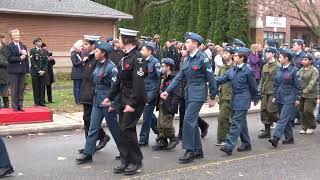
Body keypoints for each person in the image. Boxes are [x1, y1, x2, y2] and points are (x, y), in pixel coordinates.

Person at [160, 32, 217, 164]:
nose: (185, 44)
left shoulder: (203, 58)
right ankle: (198, 150)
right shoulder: (187, 60)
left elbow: (211, 79)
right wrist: (167, 91)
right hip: (188, 92)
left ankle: (190, 150)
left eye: (188, 42)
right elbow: (179, 77)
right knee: (191, 121)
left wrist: (212, 96)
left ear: (195, 44)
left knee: (188, 120)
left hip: (198, 93)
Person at [102, 28, 146, 175]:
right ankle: (126, 160)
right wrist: (110, 97)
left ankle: (136, 161)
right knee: (124, 130)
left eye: (120, 38)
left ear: (127, 40)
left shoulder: (138, 58)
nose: (118, 41)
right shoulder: (124, 57)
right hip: (123, 98)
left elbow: (138, 84)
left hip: (135, 99)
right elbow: (118, 81)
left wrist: (132, 104)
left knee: (127, 129)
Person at [76, 40, 121, 164]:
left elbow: (115, 88)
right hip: (97, 100)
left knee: (114, 128)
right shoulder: (98, 64)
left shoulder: (112, 68)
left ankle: (125, 152)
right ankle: (88, 153)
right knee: (93, 128)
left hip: (107, 102)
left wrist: (113, 104)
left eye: (97, 51)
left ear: (104, 53)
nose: (95, 53)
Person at [217, 47, 259, 155]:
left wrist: (256, 97)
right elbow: (222, 79)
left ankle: (229, 145)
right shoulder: (232, 70)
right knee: (241, 122)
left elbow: (253, 86)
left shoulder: (248, 71)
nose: (233, 57)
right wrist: (210, 80)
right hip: (234, 98)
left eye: (236, 55)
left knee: (236, 122)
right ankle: (246, 143)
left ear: (242, 58)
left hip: (243, 99)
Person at [77, 35, 109, 155]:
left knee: (90, 119)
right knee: (87, 119)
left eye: (86, 44)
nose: (83, 46)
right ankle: (89, 146)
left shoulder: (96, 59)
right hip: (85, 92)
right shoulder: (89, 57)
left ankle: (102, 137)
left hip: (92, 94)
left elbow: (95, 78)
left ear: (93, 45)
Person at [269, 48, 302, 147]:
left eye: (280, 57)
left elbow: (298, 86)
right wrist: (274, 96)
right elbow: (276, 84)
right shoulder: (279, 69)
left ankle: (275, 137)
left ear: (286, 58)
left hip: (289, 98)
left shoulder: (294, 70)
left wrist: (297, 98)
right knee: (285, 119)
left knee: (282, 118)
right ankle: (289, 138)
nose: (278, 59)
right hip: (280, 97)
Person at [176, 45, 209, 140]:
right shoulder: (183, 60)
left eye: (184, 49)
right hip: (182, 88)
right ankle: (182, 132)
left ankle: (202, 126)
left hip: (191, 89)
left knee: (188, 114)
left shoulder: (197, 59)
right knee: (183, 111)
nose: (182, 51)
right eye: (181, 50)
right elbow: (179, 76)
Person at [152, 58, 180, 150]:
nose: (161, 67)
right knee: (160, 123)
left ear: (168, 67)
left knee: (166, 123)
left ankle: (173, 138)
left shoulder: (174, 77)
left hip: (169, 103)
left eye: (163, 66)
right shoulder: (163, 76)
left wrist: (173, 106)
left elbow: (176, 93)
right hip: (161, 102)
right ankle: (163, 141)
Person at [138, 42, 160, 146]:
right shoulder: (140, 61)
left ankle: (143, 139)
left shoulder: (154, 62)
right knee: (149, 115)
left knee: (146, 116)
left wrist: (155, 93)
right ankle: (160, 132)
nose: (141, 52)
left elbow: (160, 77)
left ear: (149, 51)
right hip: (142, 90)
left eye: (143, 50)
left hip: (151, 92)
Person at [258, 47, 280, 139]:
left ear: (273, 54)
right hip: (265, 91)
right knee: (263, 111)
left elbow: (279, 80)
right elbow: (262, 79)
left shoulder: (278, 66)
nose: (266, 54)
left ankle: (283, 123)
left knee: (271, 111)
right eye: (266, 52)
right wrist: (260, 89)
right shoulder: (265, 66)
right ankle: (267, 131)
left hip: (273, 91)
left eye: (268, 52)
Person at [5, 29, 29, 111]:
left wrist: (27, 70)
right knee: (14, 89)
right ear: (11, 37)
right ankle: (15, 106)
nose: (17, 36)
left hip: (22, 70)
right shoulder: (9, 46)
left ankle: (20, 105)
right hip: (13, 71)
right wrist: (19, 58)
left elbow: (26, 59)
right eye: (15, 35)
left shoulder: (23, 46)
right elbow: (9, 58)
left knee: (21, 89)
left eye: (18, 35)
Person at [216, 46, 235, 146]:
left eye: (227, 53)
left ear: (232, 55)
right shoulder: (222, 68)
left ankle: (222, 139)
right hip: (222, 96)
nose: (224, 55)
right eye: (224, 53)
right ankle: (229, 136)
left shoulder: (235, 68)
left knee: (222, 117)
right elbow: (218, 81)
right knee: (227, 118)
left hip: (230, 96)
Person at [298, 53, 318, 135]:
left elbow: (312, 82)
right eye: (303, 59)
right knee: (301, 111)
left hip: (311, 94)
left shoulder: (314, 70)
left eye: (306, 60)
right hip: (301, 93)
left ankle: (311, 126)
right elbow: (298, 80)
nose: (303, 61)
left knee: (308, 111)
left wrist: (305, 90)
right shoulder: (301, 70)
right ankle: (304, 127)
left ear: (310, 61)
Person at [30, 37, 48, 106]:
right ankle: (36, 102)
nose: (40, 42)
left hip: (43, 73)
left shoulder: (44, 51)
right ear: (35, 43)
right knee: (36, 87)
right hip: (35, 72)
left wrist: (43, 70)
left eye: (41, 41)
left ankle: (42, 102)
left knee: (42, 87)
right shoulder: (32, 51)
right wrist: (38, 71)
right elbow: (33, 62)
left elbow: (46, 62)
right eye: (39, 41)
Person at [292, 39, 306, 125]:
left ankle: (300, 118)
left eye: (294, 45)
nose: (293, 46)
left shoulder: (304, 56)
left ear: (300, 46)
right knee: (294, 100)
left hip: (301, 81)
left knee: (301, 101)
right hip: (293, 81)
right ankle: (294, 117)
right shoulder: (292, 55)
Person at [70, 40, 85, 105]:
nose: (82, 47)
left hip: (81, 73)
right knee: (76, 88)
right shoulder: (73, 53)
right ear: (77, 46)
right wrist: (82, 61)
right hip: (76, 73)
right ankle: (77, 101)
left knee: (81, 87)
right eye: (81, 46)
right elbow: (75, 63)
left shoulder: (80, 53)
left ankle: (80, 99)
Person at [0, 33, 9, 108]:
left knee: (5, 91)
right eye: (2, 38)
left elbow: (8, 59)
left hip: (4, 73)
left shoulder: (6, 48)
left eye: (4, 38)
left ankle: (6, 106)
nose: (4, 40)